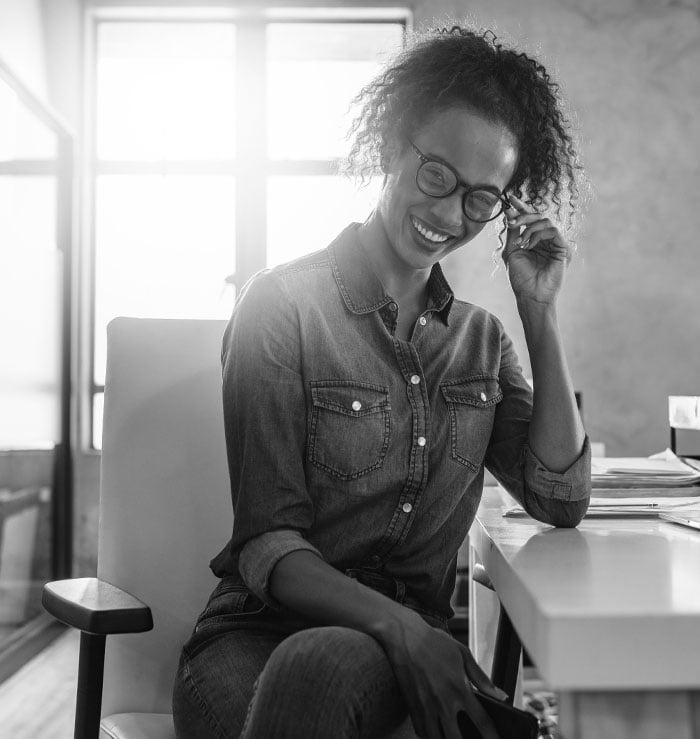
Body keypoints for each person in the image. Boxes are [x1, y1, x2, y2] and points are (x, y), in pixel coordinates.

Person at [172, 23, 591, 739]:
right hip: (255, 641)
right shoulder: (282, 308)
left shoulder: (482, 344)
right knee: (320, 663)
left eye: (480, 199)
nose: (448, 214)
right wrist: (406, 627)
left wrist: (539, 308)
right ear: (394, 144)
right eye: (436, 176)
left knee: (338, 665)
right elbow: (268, 545)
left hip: (401, 659)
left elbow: (559, 497)